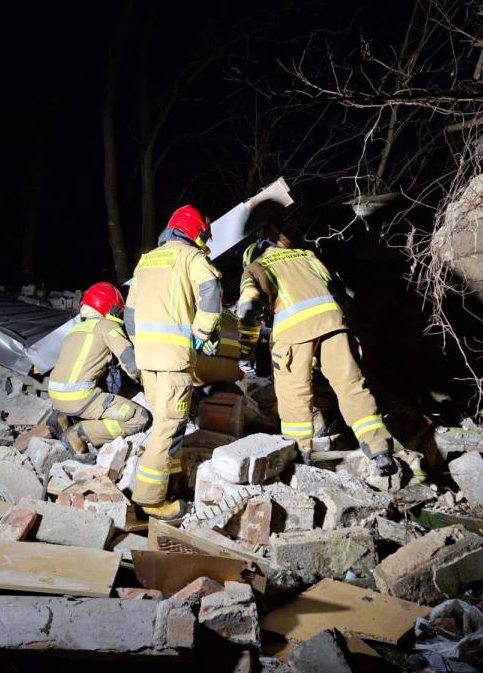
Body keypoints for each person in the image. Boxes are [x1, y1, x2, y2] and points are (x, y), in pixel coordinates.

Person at [237, 229, 398, 476]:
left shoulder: (255, 268)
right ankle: (379, 449)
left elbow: (249, 310)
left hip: (293, 331)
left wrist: (246, 349)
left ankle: (298, 455)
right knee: (351, 385)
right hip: (333, 324)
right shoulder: (307, 256)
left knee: (294, 394)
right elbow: (337, 289)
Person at [124, 204, 222, 520]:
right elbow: (211, 293)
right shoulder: (192, 258)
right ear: (196, 231)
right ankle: (150, 500)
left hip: (148, 360)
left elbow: (129, 313)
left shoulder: (146, 260)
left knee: (167, 423)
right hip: (173, 361)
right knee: (168, 428)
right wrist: (201, 334)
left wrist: (141, 345)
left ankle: (173, 478)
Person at [47, 282, 150, 455]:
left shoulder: (75, 330)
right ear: (111, 307)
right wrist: (149, 381)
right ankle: (78, 434)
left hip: (56, 397)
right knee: (139, 417)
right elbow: (132, 367)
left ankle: (62, 417)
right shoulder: (107, 326)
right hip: (80, 398)